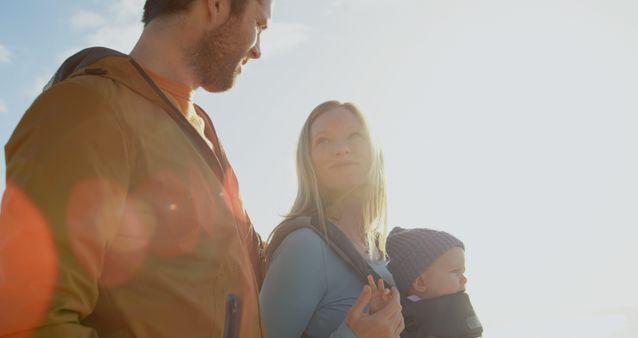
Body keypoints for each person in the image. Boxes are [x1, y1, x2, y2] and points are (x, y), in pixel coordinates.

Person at [0, 0, 272, 337]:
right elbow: (29, 321)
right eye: (258, 25)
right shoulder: (86, 111)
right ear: (215, 6)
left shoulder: (203, 129)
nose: (258, 50)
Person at [260, 101, 405, 338]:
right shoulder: (304, 247)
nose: (341, 149)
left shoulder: (382, 251)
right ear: (308, 162)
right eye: (323, 140)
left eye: (354, 135)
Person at [386, 227, 483, 338]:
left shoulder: (459, 305)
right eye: (455, 272)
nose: (464, 279)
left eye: (463, 272)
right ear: (421, 283)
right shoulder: (399, 317)